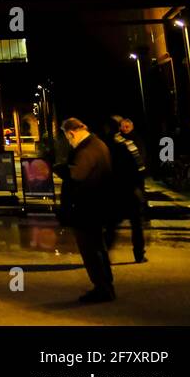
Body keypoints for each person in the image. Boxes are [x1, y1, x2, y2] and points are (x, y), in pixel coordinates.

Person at [55, 117, 116, 303]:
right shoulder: (98, 144)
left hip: (87, 208)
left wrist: (60, 169)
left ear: (71, 133)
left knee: (91, 250)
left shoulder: (87, 150)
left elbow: (77, 174)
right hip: (98, 205)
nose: (69, 142)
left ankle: (102, 288)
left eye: (68, 137)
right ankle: (105, 286)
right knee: (98, 248)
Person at [107, 116, 148, 264]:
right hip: (130, 189)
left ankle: (105, 254)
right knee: (136, 224)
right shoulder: (130, 144)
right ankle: (139, 254)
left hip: (116, 189)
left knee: (112, 224)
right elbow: (140, 166)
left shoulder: (107, 143)